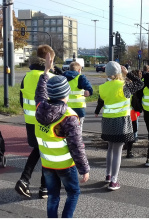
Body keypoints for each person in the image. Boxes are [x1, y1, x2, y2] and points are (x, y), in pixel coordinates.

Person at [35, 52, 90, 218]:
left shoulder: (40, 108)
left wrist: (46, 72)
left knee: (53, 195)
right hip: (65, 165)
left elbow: (40, 92)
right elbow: (76, 146)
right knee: (73, 193)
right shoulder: (69, 117)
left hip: (47, 163)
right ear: (66, 93)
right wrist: (84, 169)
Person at [94, 61, 143, 190]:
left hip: (107, 121)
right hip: (121, 122)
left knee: (110, 148)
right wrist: (128, 74)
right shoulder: (124, 86)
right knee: (118, 151)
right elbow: (140, 84)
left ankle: (108, 175)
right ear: (119, 72)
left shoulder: (103, 87)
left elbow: (102, 101)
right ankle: (114, 181)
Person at [15, 44, 56, 199]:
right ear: (49, 59)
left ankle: (26, 181)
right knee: (47, 153)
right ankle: (43, 186)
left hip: (30, 120)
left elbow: (21, 100)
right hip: (47, 122)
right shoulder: (50, 78)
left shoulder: (27, 76)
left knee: (38, 150)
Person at [63, 61, 93, 133]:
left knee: (66, 127)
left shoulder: (63, 77)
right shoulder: (80, 77)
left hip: (66, 107)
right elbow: (88, 87)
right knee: (78, 127)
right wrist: (89, 91)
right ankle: (77, 142)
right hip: (79, 108)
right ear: (79, 70)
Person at [124, 69, 143, 158]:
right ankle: (129, 151)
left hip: (120, 114)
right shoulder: (130, 86)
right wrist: (128, 73)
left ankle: (124, 147)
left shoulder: (120, 85)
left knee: (124, 132)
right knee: (131, 132)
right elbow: (140, 83)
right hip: (130, 113)